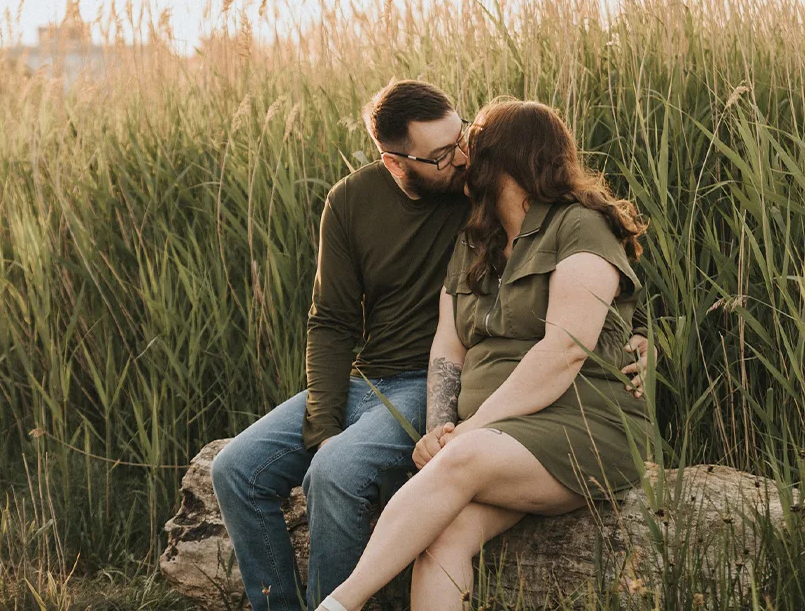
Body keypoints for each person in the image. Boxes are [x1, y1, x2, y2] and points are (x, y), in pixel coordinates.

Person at [211, 81, 653, 610]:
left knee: (340, 473)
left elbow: (582, 308)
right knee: (237, 470)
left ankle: (337, 603)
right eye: (445, 155)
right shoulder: (439, 223)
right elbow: (345, 324)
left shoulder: (528, 215)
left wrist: (638, 330)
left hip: (517, 410)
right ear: (397, 162)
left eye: (466, 141)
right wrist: (343, 424)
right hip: (392, 387)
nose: (463, 160)